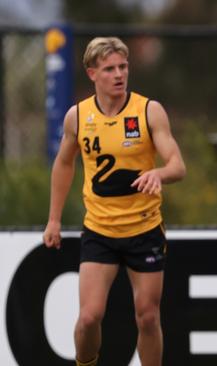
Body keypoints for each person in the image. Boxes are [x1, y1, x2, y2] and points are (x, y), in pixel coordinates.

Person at [42, 37, 186, 366]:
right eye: (109, 69)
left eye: (123, 67)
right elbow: (64, 164)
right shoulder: (77, 117)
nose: (119, 74)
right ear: (92, 73)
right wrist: (54, 219)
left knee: (147, 317)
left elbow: (178, 165)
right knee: (89, 318)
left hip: (144, 228)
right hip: (100, 231)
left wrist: (159, 175)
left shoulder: (149, 110)